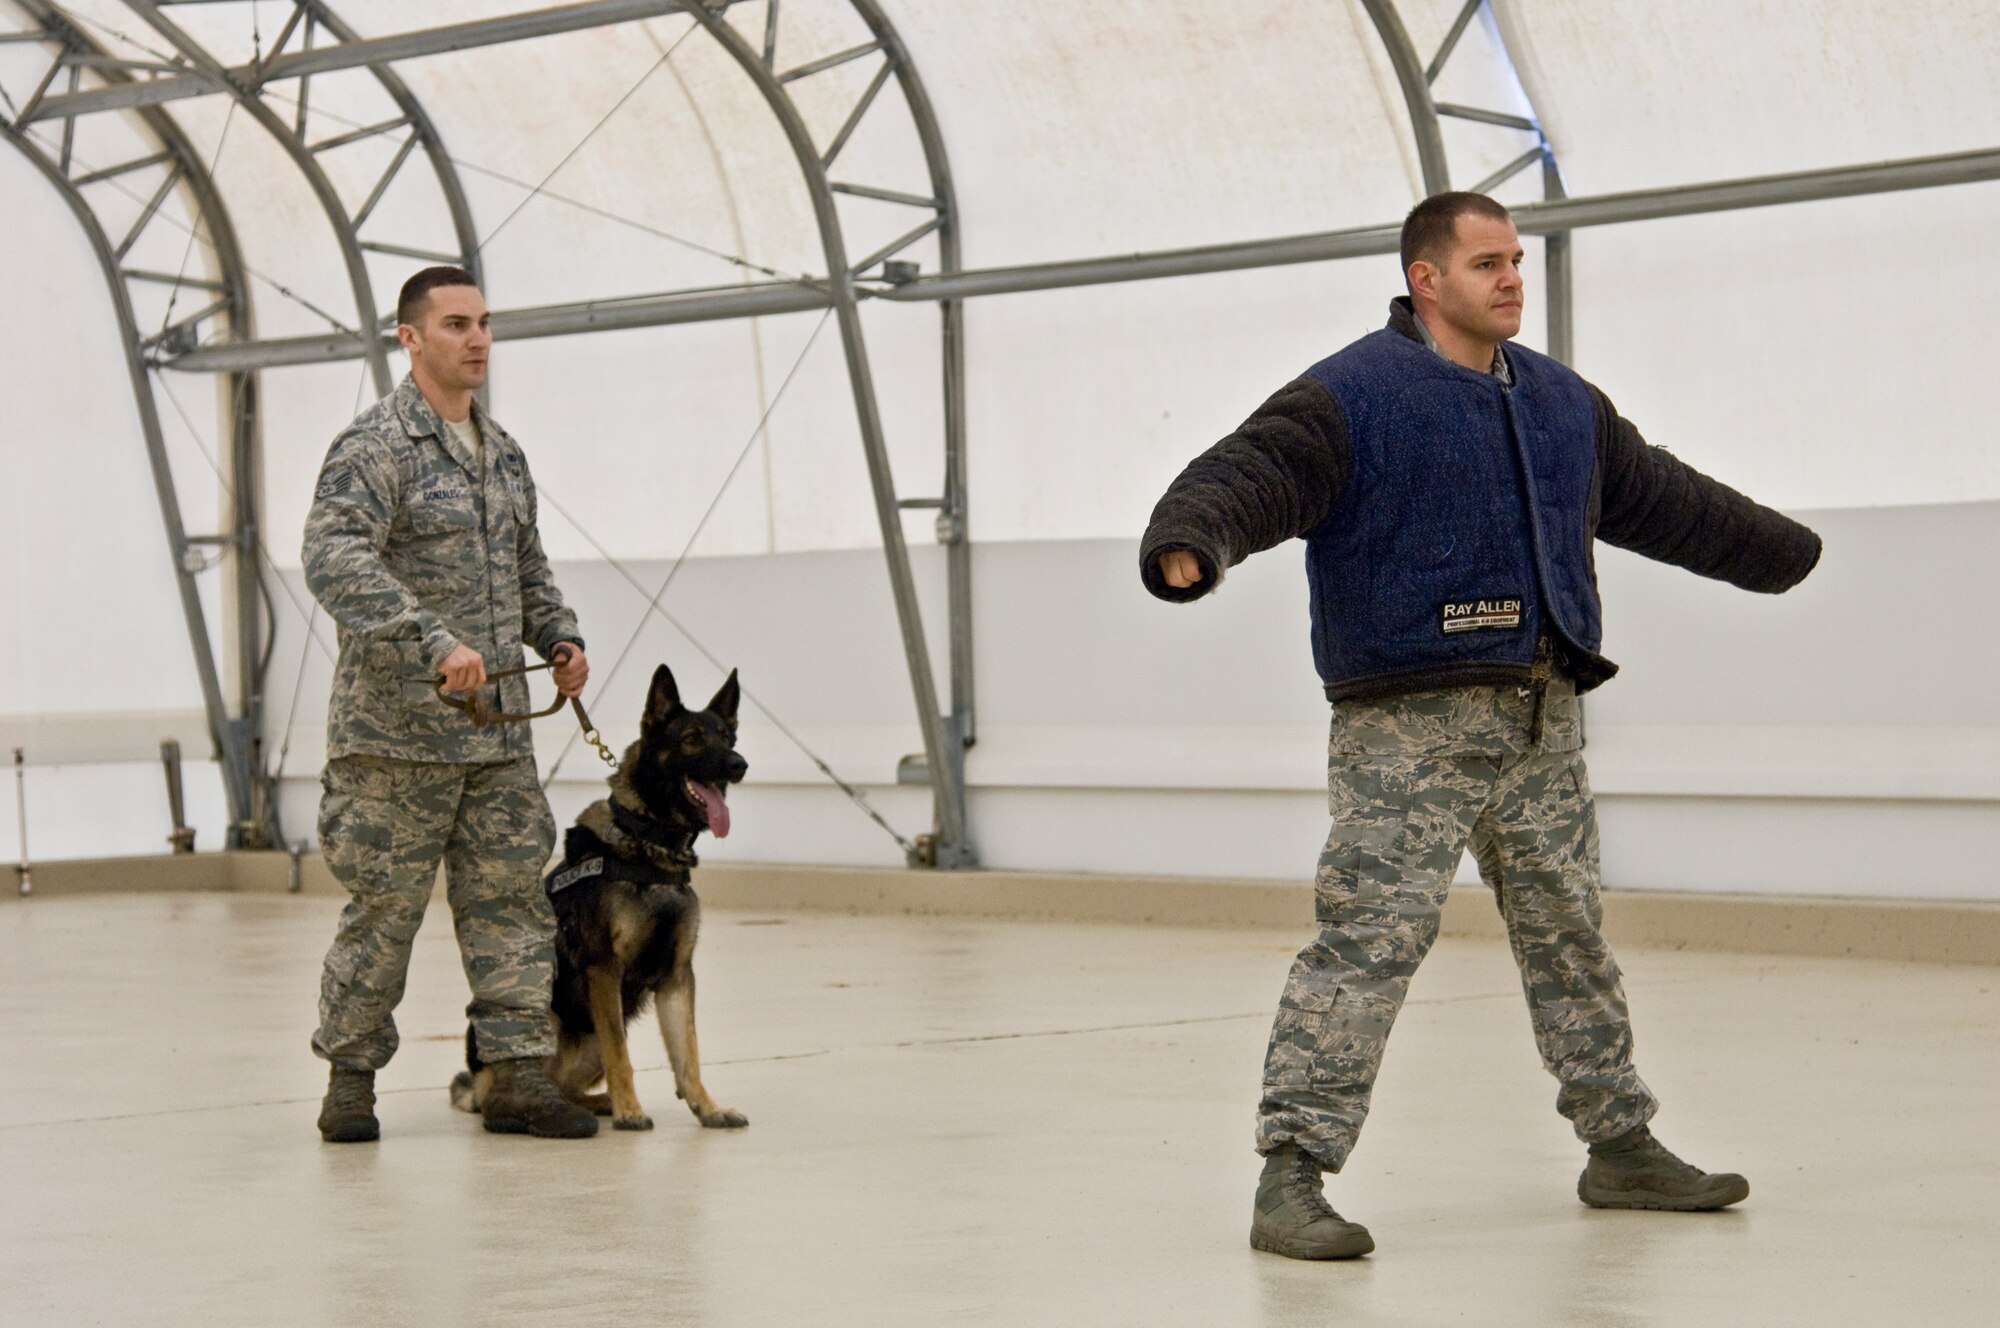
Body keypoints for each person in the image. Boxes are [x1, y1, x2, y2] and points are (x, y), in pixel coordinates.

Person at [1140, 193, 1822, 1259]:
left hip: (1542, 714)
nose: (1510, 278)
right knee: (1368, 940)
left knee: (1571, 935)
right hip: (1407, 724)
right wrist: (1192, 536)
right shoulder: (1353, 393)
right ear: (1425, 277)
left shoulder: (1557, 401)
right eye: (1486, 262)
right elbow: (1250, 469)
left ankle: (1620, 1142)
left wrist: (1777, 550)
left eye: (1515, 260)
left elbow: (1656, 495)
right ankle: (1291, 1172)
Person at [304, 266, 597, 1143]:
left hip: (498, 738)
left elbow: (528, 567)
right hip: (395, 741)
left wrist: (560, 639)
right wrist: (434, 642)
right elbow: (335, 561)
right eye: (457, 325)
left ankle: (514, 1077)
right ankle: (350, 1081)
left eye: (484, 324)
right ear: (411, 338)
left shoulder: (502, 454)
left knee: (513, 904)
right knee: (384, 915)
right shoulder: (375, 449)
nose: (477, 340)